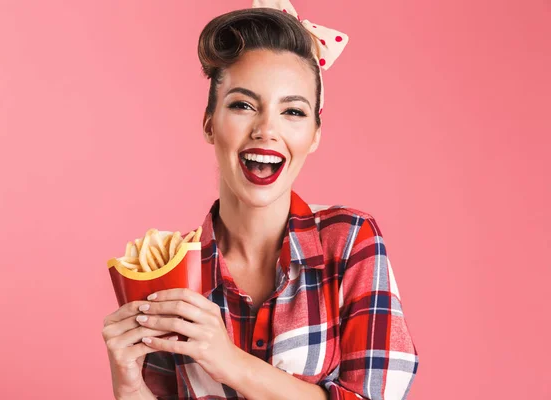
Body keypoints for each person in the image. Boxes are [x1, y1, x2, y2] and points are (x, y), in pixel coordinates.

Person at [102, 1, 419, 399]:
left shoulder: (351, 240)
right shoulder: (171, 268)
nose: (266, 130)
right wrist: (129, 386)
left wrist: (228, 360)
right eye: (243, 105)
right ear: (209, 123)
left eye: (293, 111)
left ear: (315, 135)